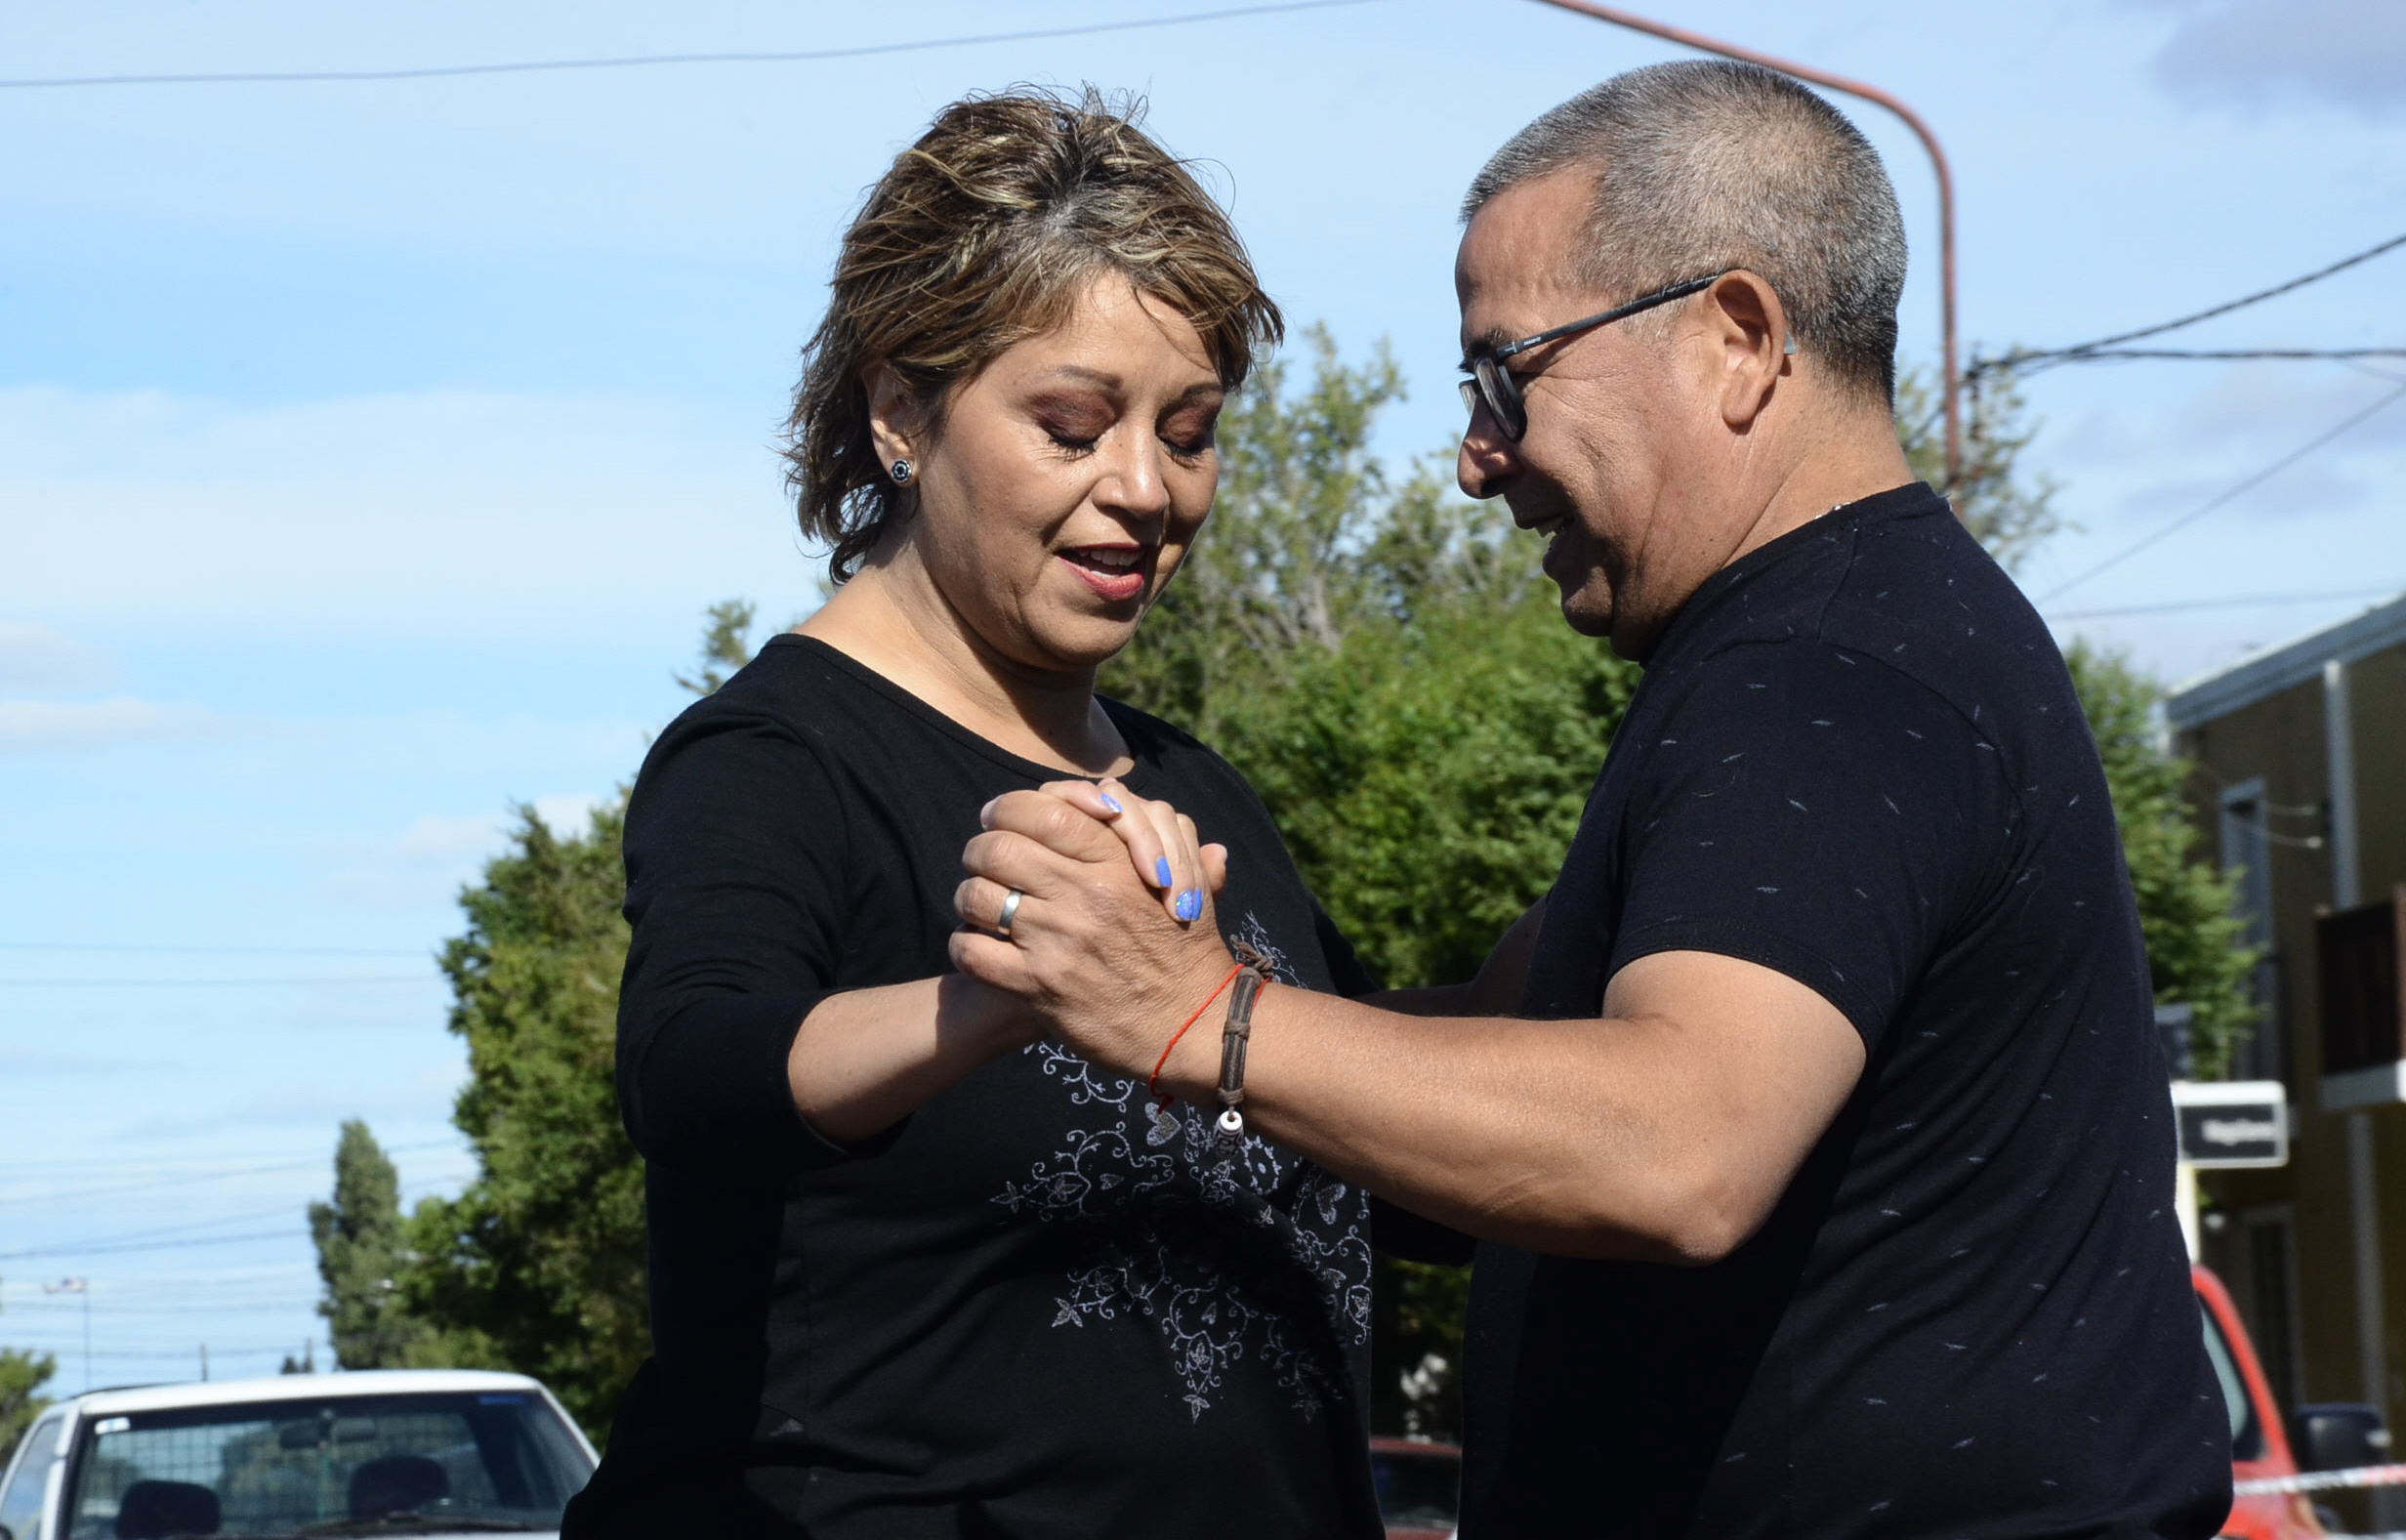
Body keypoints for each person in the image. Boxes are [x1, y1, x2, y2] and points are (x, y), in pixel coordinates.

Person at [953, 62, 2233, 1538]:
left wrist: (1199, 1019)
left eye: (1508, 373)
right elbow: (1550, 1056)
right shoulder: (1869, 639)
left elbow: (1678, 1145)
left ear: (1737, 338)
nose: (1475, 460)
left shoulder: (1820, 672)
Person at [561, 89, 1388, 1538]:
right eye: (1072, 426)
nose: (1145, 489)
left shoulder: (1196, 787)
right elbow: (690, 1070)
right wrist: (991, 999)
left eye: (1188, 433)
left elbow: (1374, 1122)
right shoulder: (775, 756)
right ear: (901, 413)